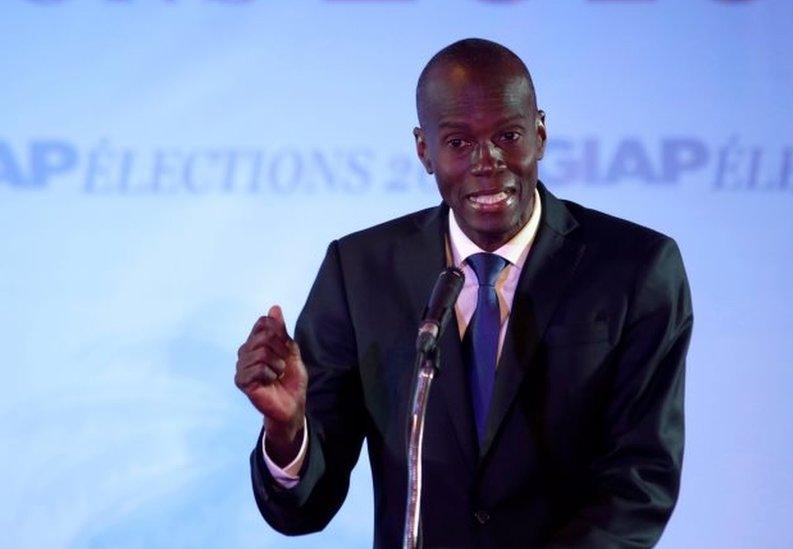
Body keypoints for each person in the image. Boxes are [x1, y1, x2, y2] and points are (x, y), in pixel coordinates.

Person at [234, 38, 693, 548]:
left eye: (508, 135)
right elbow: (305, 509)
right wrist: (288, 430)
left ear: (540, 134)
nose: (487, 162)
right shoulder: (359, 273)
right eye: (458, 143)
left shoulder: (636, 269)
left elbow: (639, 482)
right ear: (423, 150)